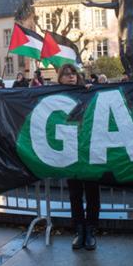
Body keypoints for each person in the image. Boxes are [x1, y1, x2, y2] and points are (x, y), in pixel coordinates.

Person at [56, 63, 100, 250]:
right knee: (75, 194)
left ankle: (90, 230)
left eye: (73, 73)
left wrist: (93, 90)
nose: (71, 77)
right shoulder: (55, 96)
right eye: (66, 74)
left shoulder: (87, 91)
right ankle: (79, 230)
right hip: (70, 151)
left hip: (89, 150)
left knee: (92, 192)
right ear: (60, 78)